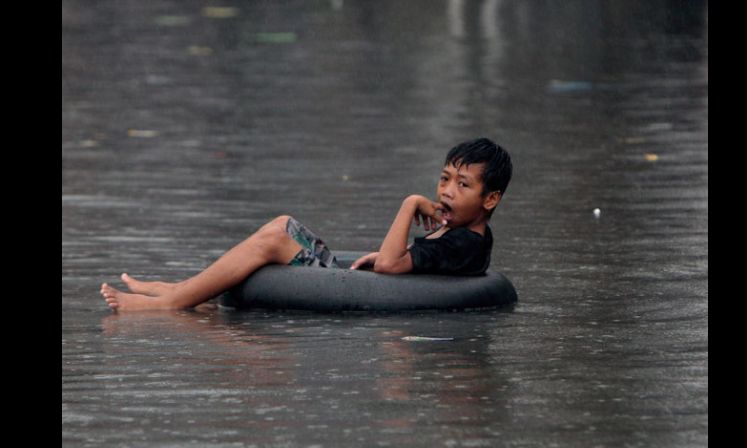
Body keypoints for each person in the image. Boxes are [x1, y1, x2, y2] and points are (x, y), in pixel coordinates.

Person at [100, 137, 513, 311]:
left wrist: (409, 205)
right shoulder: (465, 235)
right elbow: (417, 262)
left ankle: (170, 304)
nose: (447, 191)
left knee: (278, 234)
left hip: (359, 291)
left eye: (462, 185)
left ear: (490, 198)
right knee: (281, 226)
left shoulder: (464, 244)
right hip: (353, 279)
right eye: (444, 179)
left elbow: (392, 267)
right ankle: (178, 290)